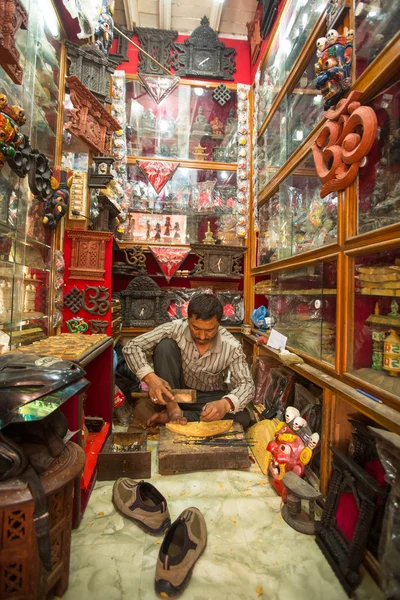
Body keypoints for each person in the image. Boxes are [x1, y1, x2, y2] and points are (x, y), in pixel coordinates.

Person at [123, 293, 254, 428]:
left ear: (219, 324)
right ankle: (173, 410)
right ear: (188, 319)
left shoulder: (231, 345)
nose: (202, 336)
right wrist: (151, 379)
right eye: (196, 328)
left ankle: (180, 416)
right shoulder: (176, 328)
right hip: (175, 395)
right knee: (165, 346)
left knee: (242, 417)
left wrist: (225, 405)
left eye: (210, 330)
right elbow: (131, 347)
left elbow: (247, 384)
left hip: (209, 398)